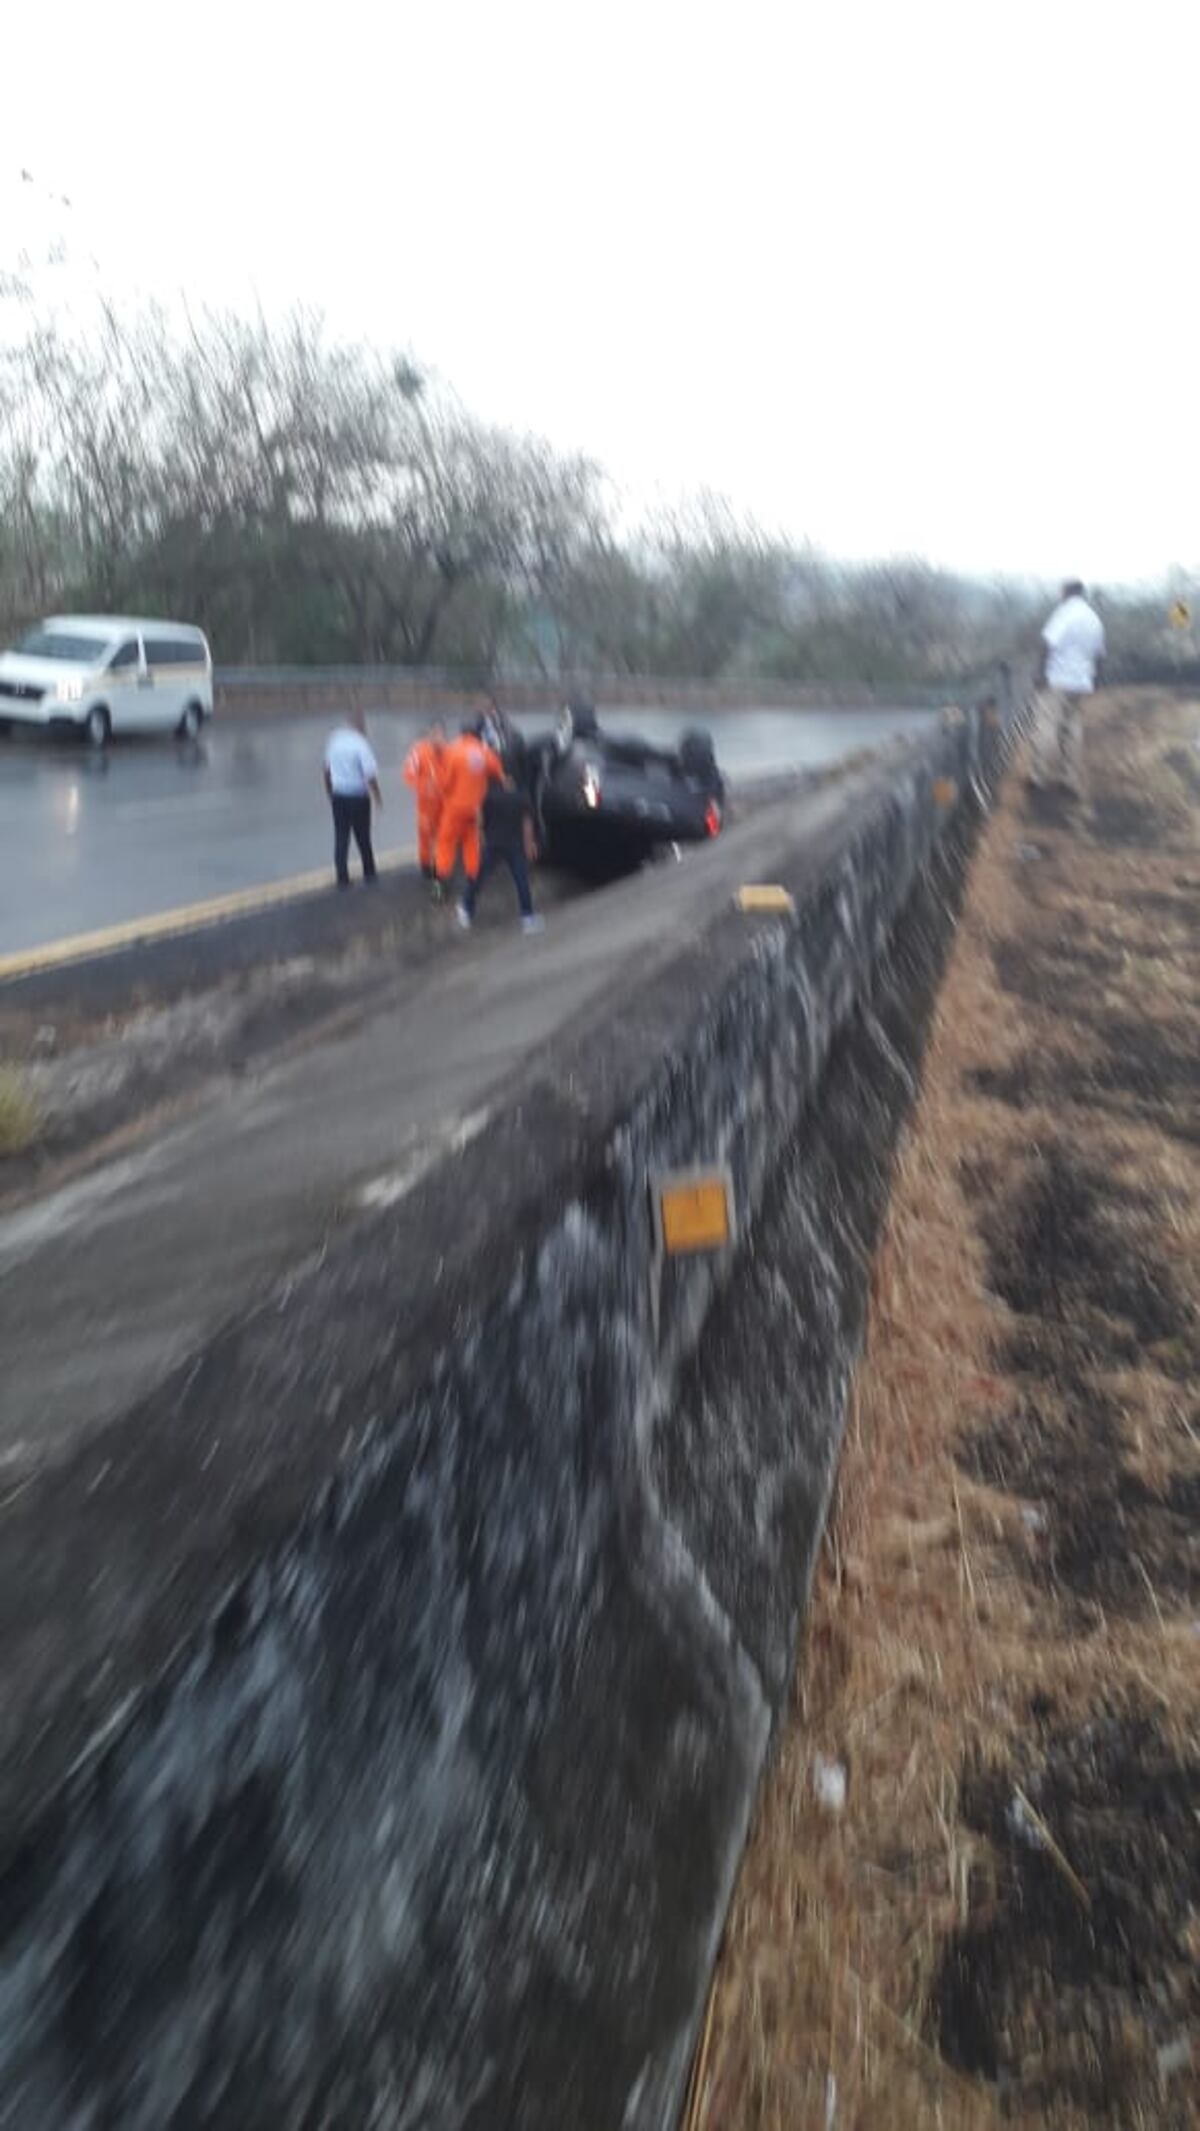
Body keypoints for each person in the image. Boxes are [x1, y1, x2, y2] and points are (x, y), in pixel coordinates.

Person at [1031, 581, 1106, 798]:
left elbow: (1046, 643)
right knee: (1072, 728)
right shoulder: (1094, 619)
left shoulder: (1064, 613)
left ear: (1065, 593)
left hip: (1057, 680)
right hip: (1081, 683)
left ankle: (1039, 776)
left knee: (1046, 726)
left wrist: (1039, 672)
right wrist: (1096, 679)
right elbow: (1101, 655)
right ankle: (1069, 777)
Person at [456, 776, 544, 934]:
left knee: (478, 876)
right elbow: (527, 824)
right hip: (514, 845)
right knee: (521, 880)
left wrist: (480, 838)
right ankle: (528, 919)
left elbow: (479, 819)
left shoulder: (489, 796)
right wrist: (529, 844)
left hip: (493, 843)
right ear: (511, 782)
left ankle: (466, 908)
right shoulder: (521, 797)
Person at [435, 723, 506, 892]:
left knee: (446, 842)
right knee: (471, 842)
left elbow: (444, 782)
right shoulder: (484, 752)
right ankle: (473, 878)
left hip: (455, 808)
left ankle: (442, 880)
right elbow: (499, 773)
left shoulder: (452, 751)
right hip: (476, 809)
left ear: (462, 734)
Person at [323, 710, 382, 886]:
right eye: (364, 724)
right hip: (358, 797)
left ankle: (342, 878)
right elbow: (370, 774)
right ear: (359, 724)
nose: (366, 728)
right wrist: (378, 797)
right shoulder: (360, 744)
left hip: (338, 795)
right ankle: (369, 874)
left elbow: (326, 770)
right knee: (363, 836)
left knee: (341, 837)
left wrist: (329, 792)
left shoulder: (334, 740)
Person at [403, 721, 447, 883]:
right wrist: (424, 786)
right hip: (426, 805)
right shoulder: (418, 751)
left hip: (444, 803)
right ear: (429, 735)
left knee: (443, 836)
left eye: (440, 734)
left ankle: (440, 867)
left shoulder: (449, 751)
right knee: (426, 835)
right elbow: (408, 775)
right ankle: (426, 866)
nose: (438, 738)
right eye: (434, 734)